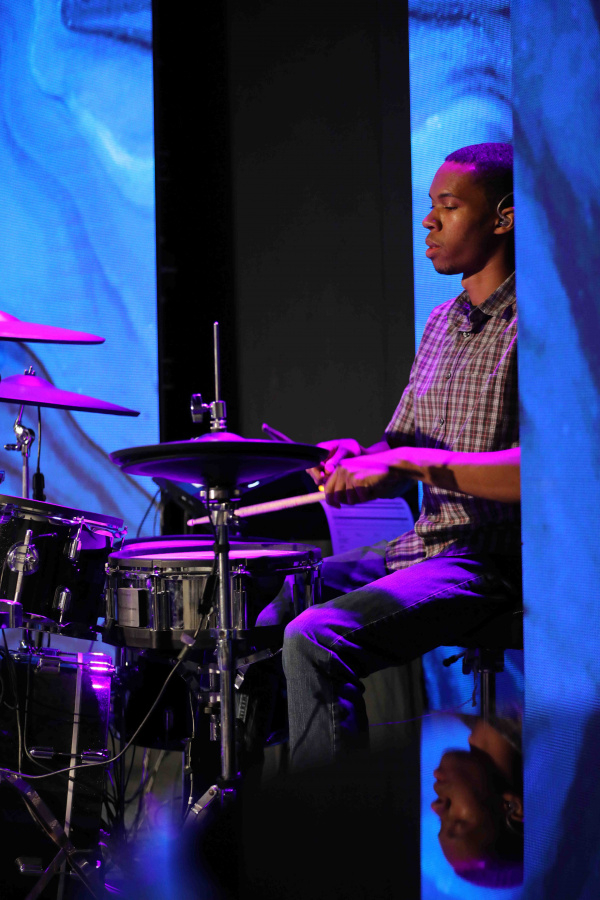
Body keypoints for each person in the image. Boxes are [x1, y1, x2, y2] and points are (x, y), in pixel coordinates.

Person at [279, 142, 521, 770]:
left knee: (315, 638)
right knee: (273, 599)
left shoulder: (537, 325)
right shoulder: (442, 321)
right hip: (424, 545)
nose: (429, 221)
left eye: (448, 206)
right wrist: (361, 459)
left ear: (504, 216)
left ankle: (336, 817)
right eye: (430, 205)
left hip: (490, 560)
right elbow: (405, 442)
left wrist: (403, 463)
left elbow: (539, 476)